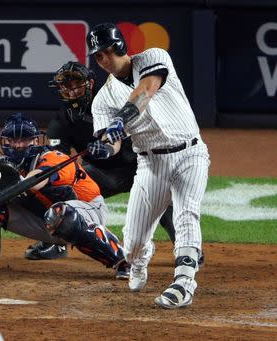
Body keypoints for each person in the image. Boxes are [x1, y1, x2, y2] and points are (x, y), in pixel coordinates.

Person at [85, 23, 210, 309]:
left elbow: (147, 89)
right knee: (132, 244)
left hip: (191, 153)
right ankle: (140, 259)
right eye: (98, 56)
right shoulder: (102, 101)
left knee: (186, 212)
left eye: (107, 52)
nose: (104, 60)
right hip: (151, 164)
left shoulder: (154, 57)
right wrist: (102, 147)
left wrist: (121, 120)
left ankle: (184, 283)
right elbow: (112, 145)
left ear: (120, 47)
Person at [0, 112, 139, 280]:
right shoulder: (3, 165)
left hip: (87, 212)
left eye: (24, 139)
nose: (18, 144)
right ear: (4, 141)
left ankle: (121, 260)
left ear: (34, 140)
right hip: (46, 221)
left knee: (59, 214)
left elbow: (35, 181)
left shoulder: (52, 157)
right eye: (13, 139)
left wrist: (8, 188)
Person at [24, 61, 180, 262]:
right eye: (66, 87)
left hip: (141, 166)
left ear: (89, 83)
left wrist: (108, 147)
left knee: (164, 199)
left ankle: (185, 249)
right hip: (101, 173)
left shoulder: (111, 98)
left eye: (76, 84)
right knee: (58, 185)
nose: (72, 92)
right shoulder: (63, 120)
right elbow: (57, 159)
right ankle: (56, 243)